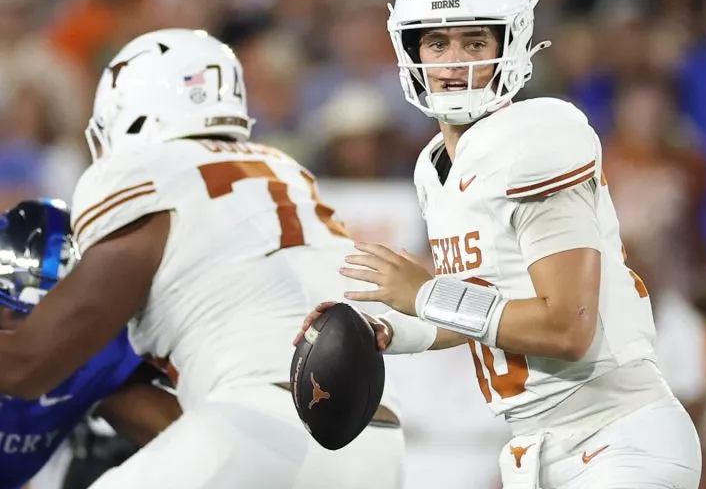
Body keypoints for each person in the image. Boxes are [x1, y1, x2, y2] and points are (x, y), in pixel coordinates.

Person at [300, 0, 702, 489]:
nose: (454, 61)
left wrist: (422, 293)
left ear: (510, 43)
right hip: (535, 449)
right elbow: (489, 311)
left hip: (615, 436)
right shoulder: (434, 168)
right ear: (411, 52)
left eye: (473, 40)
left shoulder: (542, 137)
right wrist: (388, 331)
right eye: (437, 42)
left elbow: (567, 326)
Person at [0, 29, 404, 488]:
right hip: (371, 441)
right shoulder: (286, 170)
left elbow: (26, 367)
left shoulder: (142, 175)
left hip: (257, 423)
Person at [0, 199, 180, 489]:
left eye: (35, 315)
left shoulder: (98, 354)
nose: (28, 329)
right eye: (16, 312)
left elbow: (187, 439)